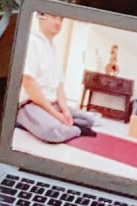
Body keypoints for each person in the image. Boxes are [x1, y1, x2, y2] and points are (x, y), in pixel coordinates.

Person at [16, 12, 96, 144]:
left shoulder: (55, 50)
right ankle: (77, 130)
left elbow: (59, 87)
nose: (58, 22)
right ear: (41, 18)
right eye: (54, 17)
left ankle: (60, 125)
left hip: (53, 104)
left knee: (89, 120)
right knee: (53, 131)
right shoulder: (31, 42)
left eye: (61, 19)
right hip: (31, 105)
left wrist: (65, 111)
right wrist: (56, 115)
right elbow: (29, 84)